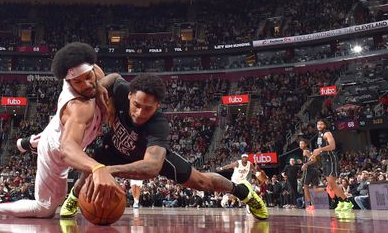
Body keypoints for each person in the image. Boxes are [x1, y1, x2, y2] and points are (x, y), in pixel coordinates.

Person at [59, 74, 268, 220]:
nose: (140, 113)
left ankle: (242, 191)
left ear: (158, 106)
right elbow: (113, 77)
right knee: (88, 168)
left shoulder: (158, 125)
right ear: (129, 95)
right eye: (137, 105)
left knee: (202, 182)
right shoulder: (123, 90)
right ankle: (74, 197)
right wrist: (102, 91)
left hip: (147, 156)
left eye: (148, 108)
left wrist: (106, 171)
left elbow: (151, 167)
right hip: (114, 148)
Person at [0, 42, 115, 218]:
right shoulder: (78, 108)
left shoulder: (90, 69)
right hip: (56, 152)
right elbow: (68, 150)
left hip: (58, 128)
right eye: (78, 82)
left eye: (89, 77)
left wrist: (101, 85)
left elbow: (101, 76)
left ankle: (31, 142)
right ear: (68, 81)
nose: (87, 84)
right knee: (45, 209)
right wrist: (97, 168)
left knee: (58, 126)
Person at [310, 119, 351, 211]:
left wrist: (319, 150)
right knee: (331, 184)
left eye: (321, 124)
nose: (319, 125)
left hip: (330, 159)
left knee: (332, 183)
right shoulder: (319, 136)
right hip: (324, 160)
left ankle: (347, 202)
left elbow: (332, 146)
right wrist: (314, 155)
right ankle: (341, 201)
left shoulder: (327, 133)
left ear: (325, 125)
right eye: (318, 124)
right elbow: (320, 149)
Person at [298, 138, 320, 210]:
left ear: (306, 144)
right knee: (315, 189)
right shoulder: (307, 151)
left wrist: (305, 164)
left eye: (302, 143)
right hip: (314, 170)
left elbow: (314, 160)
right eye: (300, 144)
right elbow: (311, 159)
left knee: (305, 187)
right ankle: (327, 189)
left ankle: (310, 205)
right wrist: (302, 163)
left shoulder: (305, 151)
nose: (300, 145)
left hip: (309, 171)